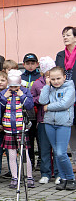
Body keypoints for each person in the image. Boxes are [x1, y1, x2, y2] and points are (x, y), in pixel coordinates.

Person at [39, 66, 76, 190]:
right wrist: (46, 86)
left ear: (64, 77)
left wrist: (48, 107)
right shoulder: (50, 88)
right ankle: (63, 178)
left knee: (61, 153)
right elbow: (42, 100)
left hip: (63, 124)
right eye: (53, 79)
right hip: (49, 123)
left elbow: (65, 104)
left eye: (58, 78)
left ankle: (70, 178)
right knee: (56, 152)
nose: (56, 81)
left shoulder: (69, 88)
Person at [0, 69, 35, 189]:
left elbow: (30, 105)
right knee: (12, 154)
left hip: (22, 128)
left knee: (25, 154)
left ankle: (29, 176)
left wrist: (22, 95)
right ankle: (15, 177)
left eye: (16, 86)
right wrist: (4, 98)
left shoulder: (25, 91)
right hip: (9, 128)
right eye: (12, 86)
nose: (14, 88)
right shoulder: (4, 92)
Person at [30, 57, 59, 184]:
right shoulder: (37, 84)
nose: (49, 75)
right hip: (42, 120)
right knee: (44, 149)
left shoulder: (59, 82)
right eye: (47, 72)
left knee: (57, 149)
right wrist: (42, 96)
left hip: (57, 120)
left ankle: (59, 173)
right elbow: (32, 100)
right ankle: (45, 173)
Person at [55, 26, 76, 171]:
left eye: (68, 35)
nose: (65, 37)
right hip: (66, 97)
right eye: (63, 35)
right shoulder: (60, 55)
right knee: (71, 130)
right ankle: (74, 160)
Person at [21, 53, 41, 171]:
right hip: (24, 113)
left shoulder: (39, 77)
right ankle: (30, 160)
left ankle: (40, 160)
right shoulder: (21, 77)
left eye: (32, 63)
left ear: (37, 64)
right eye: (28, 63)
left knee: (39, 139)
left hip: (36, 113)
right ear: (23, 65)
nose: (30, 66)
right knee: (28, 139)